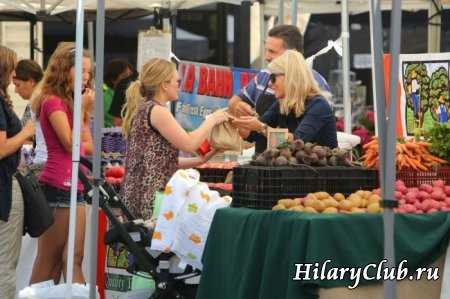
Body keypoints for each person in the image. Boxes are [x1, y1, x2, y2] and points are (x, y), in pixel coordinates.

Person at [120, 58, 228, 220]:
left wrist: (201, 160)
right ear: (164, 84)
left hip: (138, 194)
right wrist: (211, 120)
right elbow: (189, 144)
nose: (179, 85)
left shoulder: (145, 108)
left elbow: (159, 160)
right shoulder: (158, 111)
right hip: (149, 197)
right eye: (176, 81)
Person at [29, 42, 93, 285]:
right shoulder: (53, 102)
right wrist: (83, 111)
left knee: (71, 258)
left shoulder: (70, 103)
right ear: (65, 69)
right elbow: (71, 144)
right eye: (82, 70)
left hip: (74, 184)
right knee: (49, 260)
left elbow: (88, 146)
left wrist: (83, 114)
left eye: (89, 71)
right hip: (58, 184)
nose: (86, 76)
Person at [228, 25, 330, 153]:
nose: (270, 83)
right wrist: (237, 122)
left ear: (289, 77)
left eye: (273, 78)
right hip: (285, 165)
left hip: (317, 170)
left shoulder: (319, 106)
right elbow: (254, 136)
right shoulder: (281, 103)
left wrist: (260, 127)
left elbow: (295, 142)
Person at [0, 46, 35, 299]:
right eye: (11, 68)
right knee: (5, 262)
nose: (14, 75)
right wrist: (25, 132)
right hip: (3, 187)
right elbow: (1, 149)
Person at [103, 59, 133, 127]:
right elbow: (117, 122)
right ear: (113, 79)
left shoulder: (130, 94)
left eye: (130, 76)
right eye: (125, 76)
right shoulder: (105, 97)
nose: (129, 80)